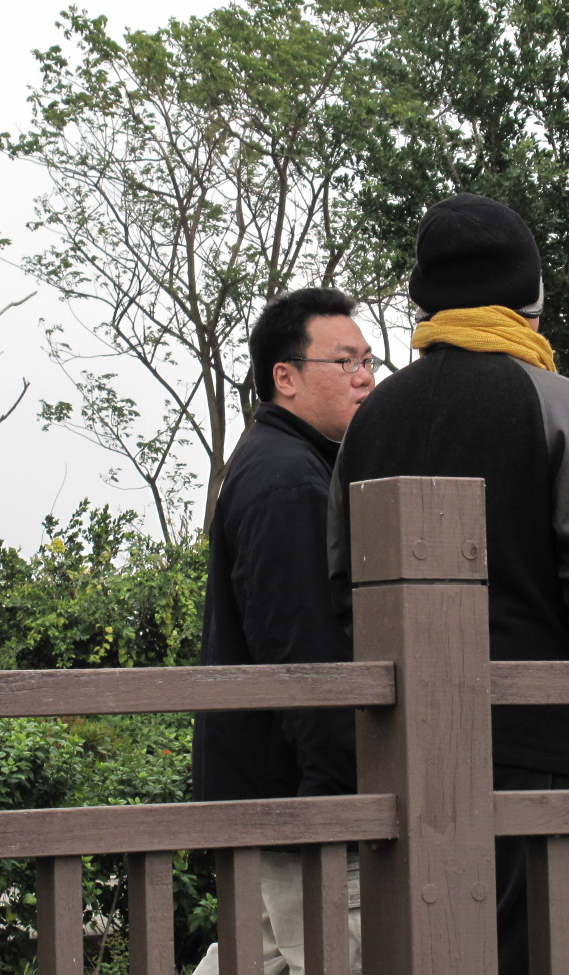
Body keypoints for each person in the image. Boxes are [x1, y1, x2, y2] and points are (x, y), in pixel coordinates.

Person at [329, 192, 569, 975]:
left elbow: (341, 579)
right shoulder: (559, 403)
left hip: (400, 747)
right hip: (531, 737)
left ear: (425, 299)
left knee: (416, 951)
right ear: (529, 295)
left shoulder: (373, 417)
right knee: (522, 947)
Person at [192, 286, 375, 975]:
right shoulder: (290, 481)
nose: (364, 377)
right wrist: (339, 799)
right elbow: (303, 650)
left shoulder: (283, 461)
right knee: (339, 955)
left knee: (257, 959)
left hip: (267, 791)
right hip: (302, 802)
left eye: (368, 360)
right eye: (344, 361)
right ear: (286, 377)